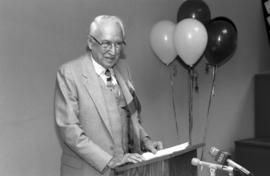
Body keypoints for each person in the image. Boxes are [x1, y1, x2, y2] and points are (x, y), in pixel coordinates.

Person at [54, 15, 163, 176]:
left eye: (118, 44)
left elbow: (132, 116)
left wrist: (146, 141)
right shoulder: (69, 73)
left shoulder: (123, 70)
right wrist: (109, 160)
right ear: (91, 43)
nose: (113, 51)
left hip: (124, 170)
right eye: (106, 43)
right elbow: (70, 131)